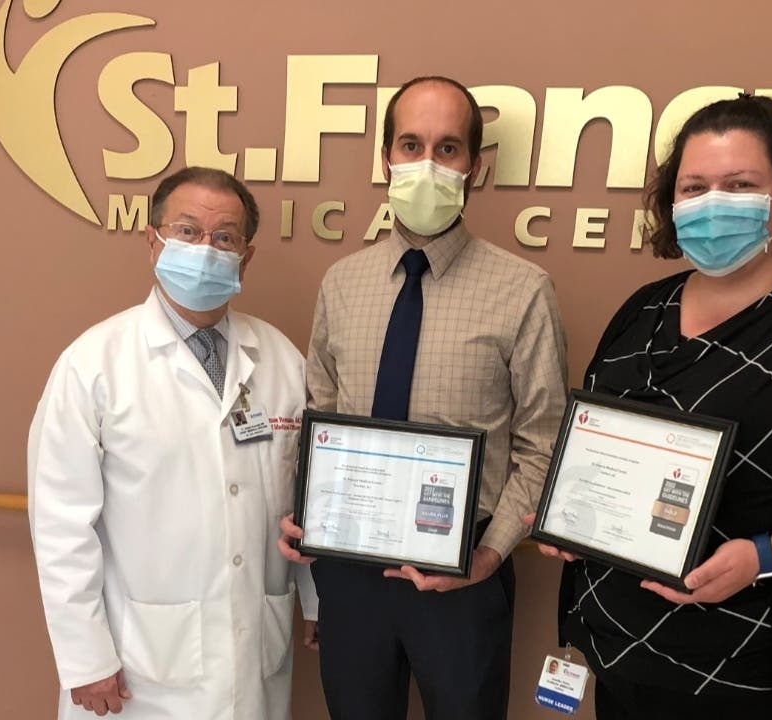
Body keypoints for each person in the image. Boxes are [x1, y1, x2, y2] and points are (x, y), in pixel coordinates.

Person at [536, 95, 772, 720]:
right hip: (624, 664)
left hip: (768, 680)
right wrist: (570, 511)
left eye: (739, 185)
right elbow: (600, 440)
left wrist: (763, 559)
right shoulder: (643, 310)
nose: (713, 203)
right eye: (695, 186)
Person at [279, 75, 568, 720]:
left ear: (476, 167)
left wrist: (489, 555)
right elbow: (317, 420)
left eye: (448, 148)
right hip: (350, 572)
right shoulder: (343, 284)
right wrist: (309, 513)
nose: (426, 164)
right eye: (410, 145)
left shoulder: (523, 290)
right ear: (385, 159)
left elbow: (542, 441)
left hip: (464, 573)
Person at [28, 167, 317, 720]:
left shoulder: (281, 359)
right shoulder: (93, 365)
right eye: (186, 231)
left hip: (254, 642)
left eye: (224, 237)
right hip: (140, 666)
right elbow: (61, 525)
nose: (205, 249)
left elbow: (305, 497)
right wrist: (85, 657)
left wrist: (319, 597)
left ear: (246, 257)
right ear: (152, 240)